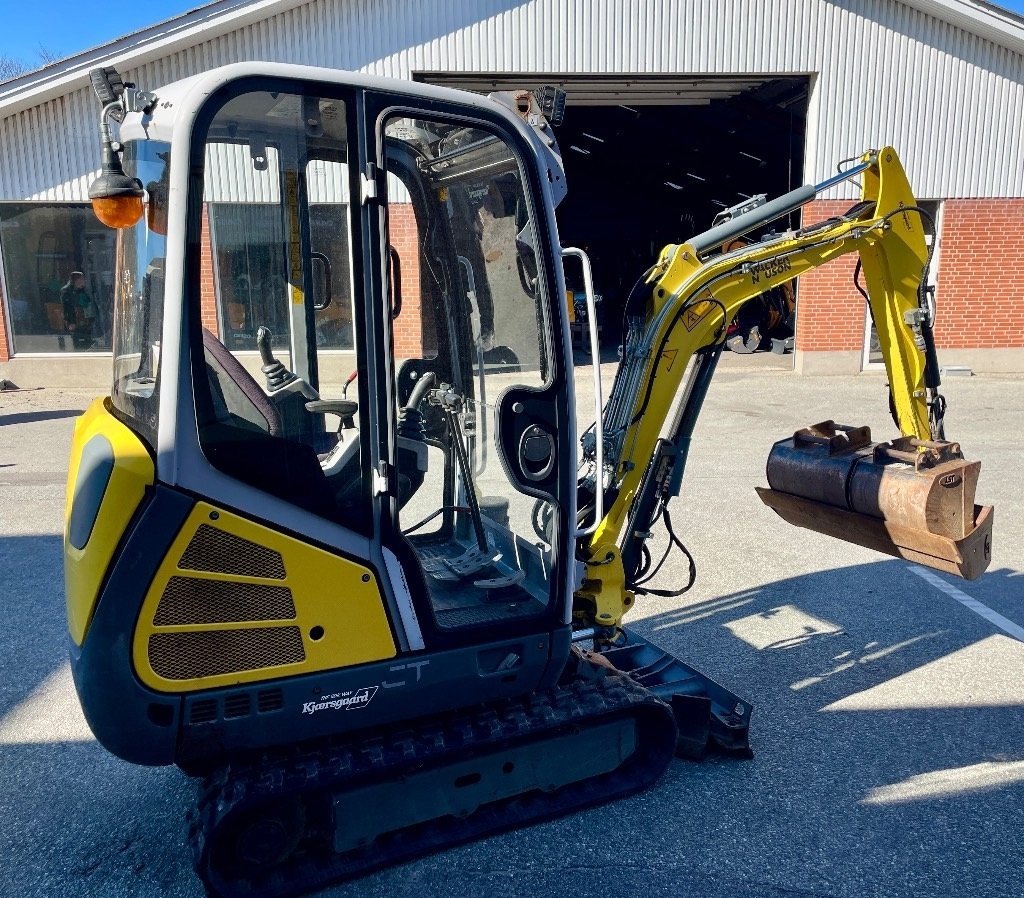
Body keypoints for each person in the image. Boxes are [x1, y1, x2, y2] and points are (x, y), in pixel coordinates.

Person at [60, 271, 97, 350]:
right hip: (75, 321)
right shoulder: (67, 291)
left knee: (85, 339)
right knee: (78, 341)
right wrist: (71, 322)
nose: (84, 281)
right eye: (82, 279)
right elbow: (68, 308)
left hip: (83, 320)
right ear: (77, 280)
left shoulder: (80, 290)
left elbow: (87, 302)